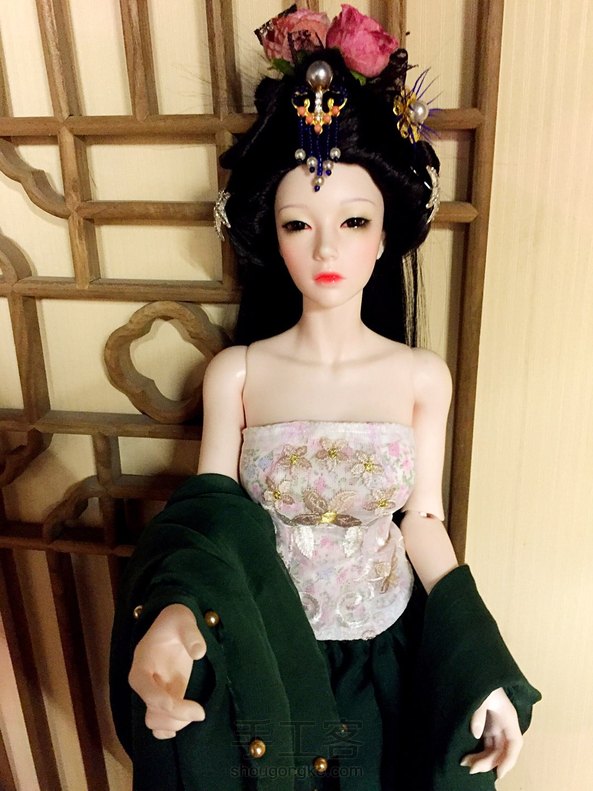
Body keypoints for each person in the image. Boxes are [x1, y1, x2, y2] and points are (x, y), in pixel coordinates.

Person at [110, 7, 540, 790]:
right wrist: (175, 614)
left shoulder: (420, 376)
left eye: (353, 220)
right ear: (272, 236)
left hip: (385, 657)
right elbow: (212, 518)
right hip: (265, 651)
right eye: (297, 224)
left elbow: (423, 521)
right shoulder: (238, 372)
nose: (327, 247)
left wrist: (481, 665)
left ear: (384, 235)